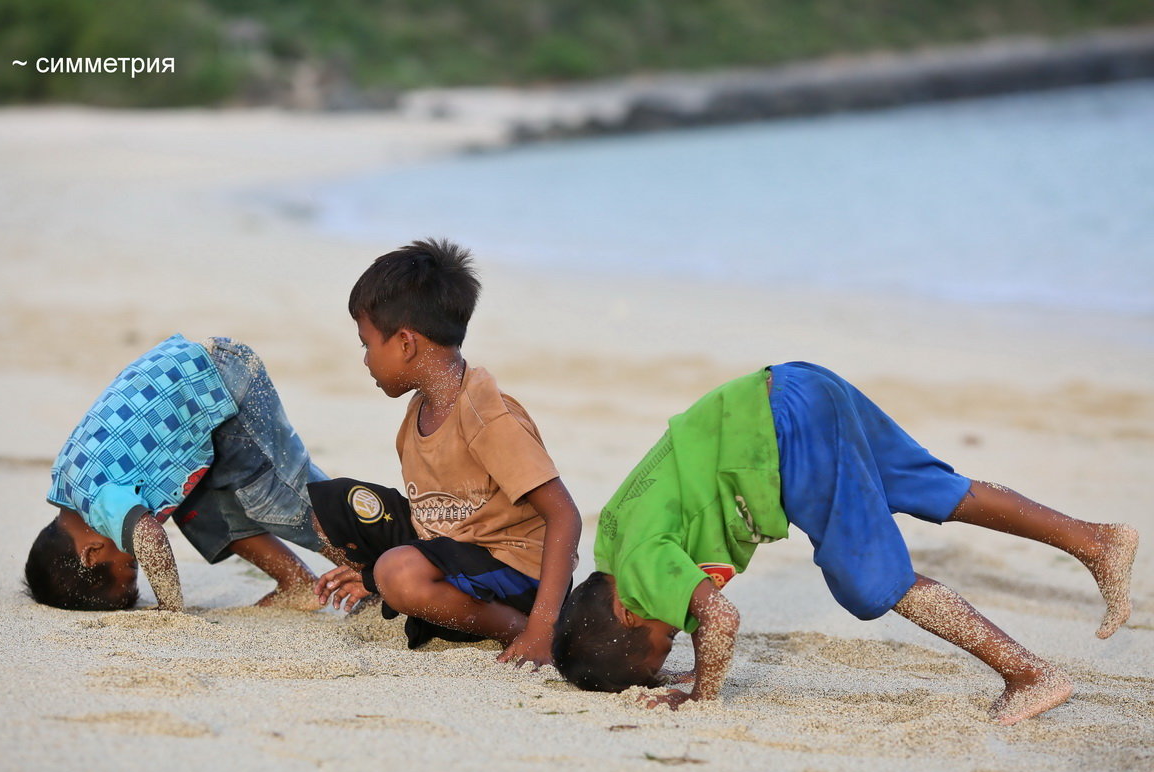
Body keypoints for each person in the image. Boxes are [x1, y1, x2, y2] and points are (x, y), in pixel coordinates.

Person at [551, 362, 1139, 725]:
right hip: (792, 385)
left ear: (626, 611)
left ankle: (1027, 673)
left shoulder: (639, 567)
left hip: (781, 433)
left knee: (867, 579)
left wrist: (701, 696)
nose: (678, 630)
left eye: (664, 638)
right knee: (928, 487)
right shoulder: (619, 534)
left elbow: (720, 620)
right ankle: (1094, 540)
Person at [313, 238, 581, 667]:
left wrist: (541, 627)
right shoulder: (420, 407)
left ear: (405, 343)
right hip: (453, 542)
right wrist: (371, 574)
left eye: (366, 344)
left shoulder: (487, 417)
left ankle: (515, 626)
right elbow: (434, 513)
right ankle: (422, 596)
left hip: (513, 567)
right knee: (332, 504)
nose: (365, 360)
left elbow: (564, 515)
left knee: (397, 573)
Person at [26, 334, 344, 612]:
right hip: (199, 393)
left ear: (92, 554)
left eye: (132, 562)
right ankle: (297, 582)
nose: (137, 557)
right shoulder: (68, 482)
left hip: (219, 385)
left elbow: (150, 538)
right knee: (200, 515)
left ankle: (368, 571)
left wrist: (170, 607)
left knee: (276, 498)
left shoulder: (97, 502)